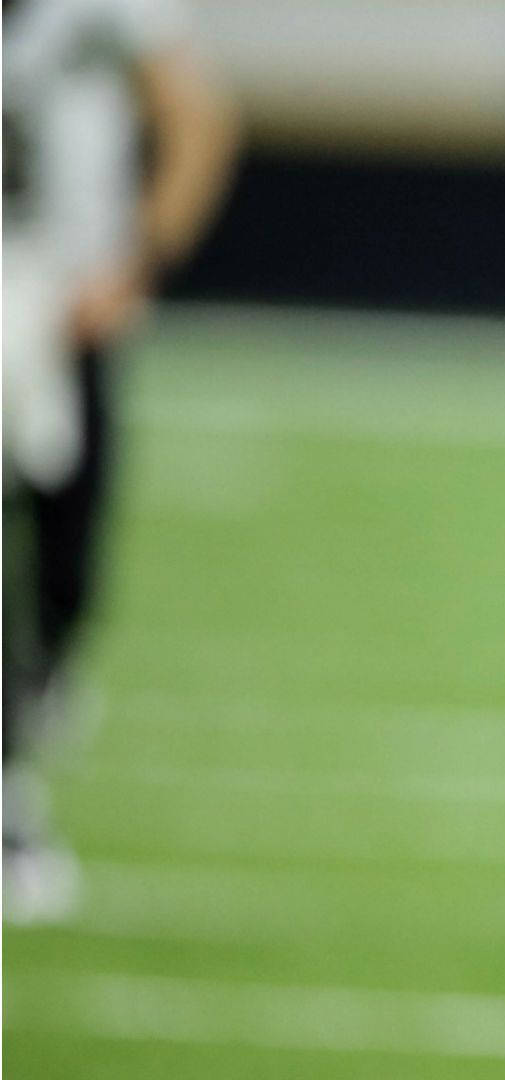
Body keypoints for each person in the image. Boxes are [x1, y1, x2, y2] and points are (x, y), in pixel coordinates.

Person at [3, 0, 242, 923]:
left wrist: (137, 263)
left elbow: (196, 113)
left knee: (67, 574)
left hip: (66, 303)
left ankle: (36, 690)